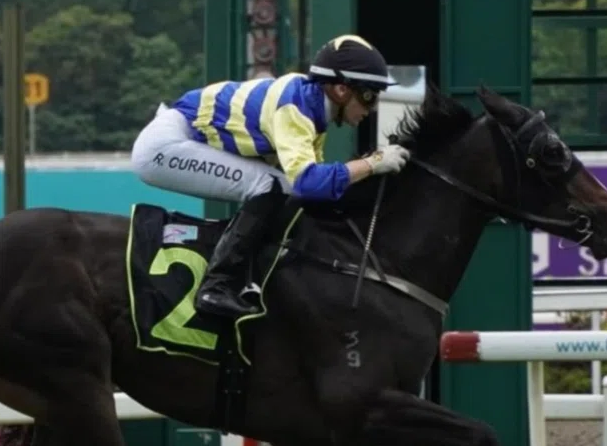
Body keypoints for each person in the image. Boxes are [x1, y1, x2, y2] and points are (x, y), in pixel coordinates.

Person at [130, 34, 411, 318]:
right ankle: (216, 286)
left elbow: (313, 190)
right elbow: (308, 182)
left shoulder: (313, 111)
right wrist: (373, 163)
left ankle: (249, 276)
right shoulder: (295, 108)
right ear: (340, 90)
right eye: (369, 95)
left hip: (183, 135)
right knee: (271, 184)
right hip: (165, 146)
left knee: (280, 187)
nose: (372, 107)